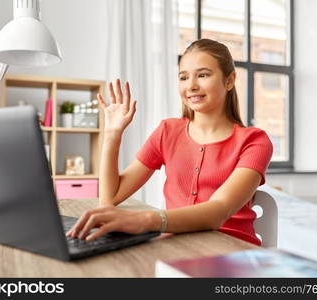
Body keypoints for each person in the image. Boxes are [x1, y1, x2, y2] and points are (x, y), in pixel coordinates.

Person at [66, 39, 273, 246]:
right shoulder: (167, 131)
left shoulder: (254, 141)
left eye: (203, 75)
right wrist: (112, 134)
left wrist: (146, 220)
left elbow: (218, 211)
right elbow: (109, 200)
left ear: (229, 81)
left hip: (233, 251)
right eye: (183, 77)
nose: (191, 86)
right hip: (178, 246)